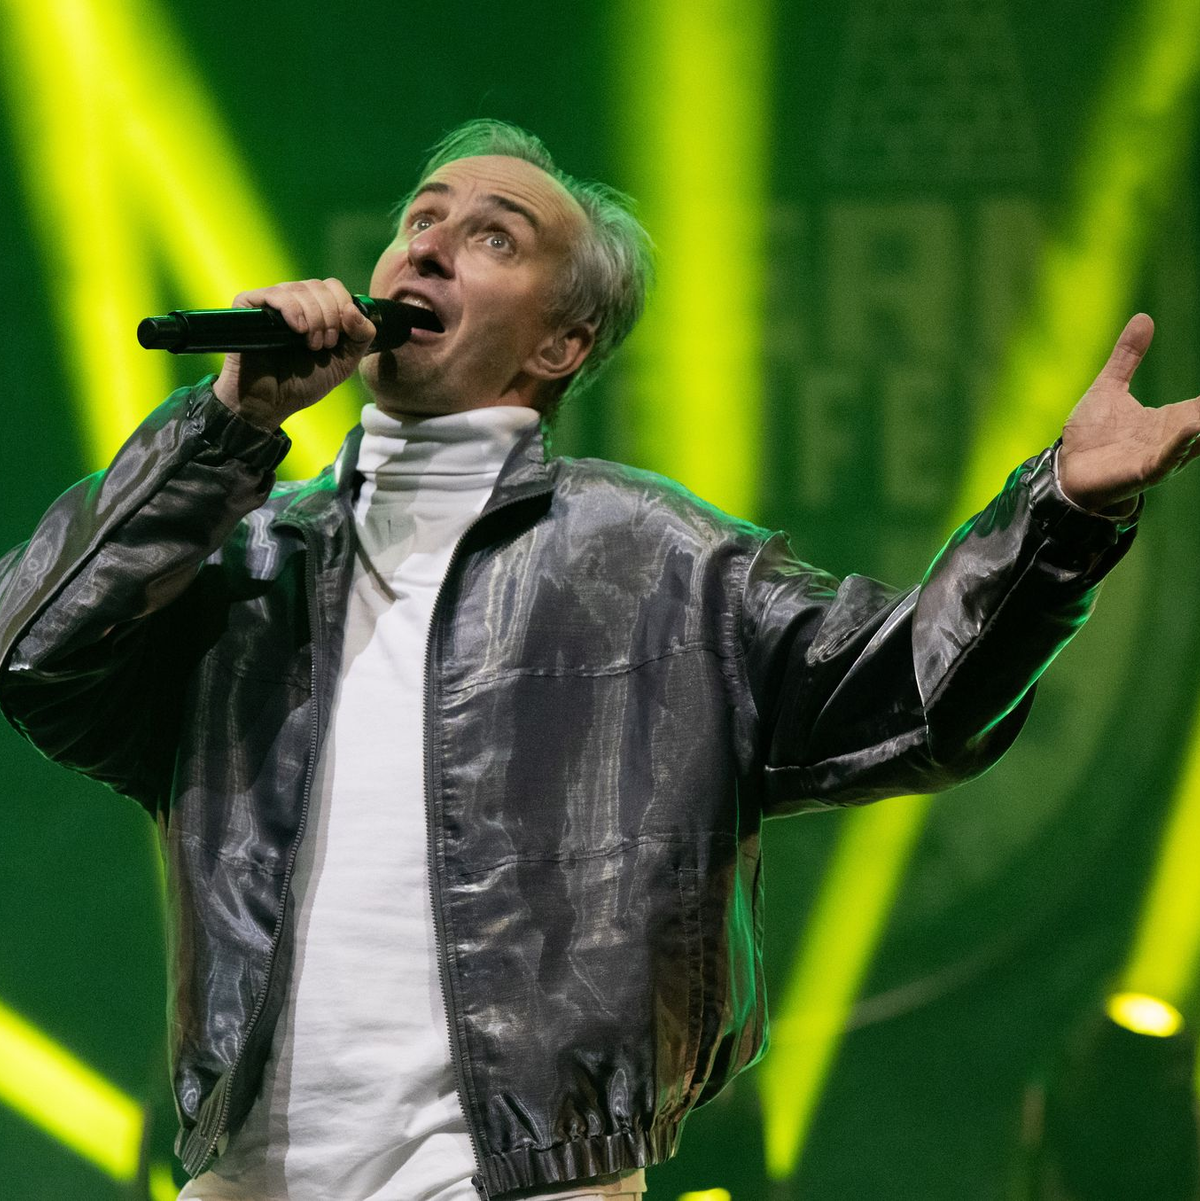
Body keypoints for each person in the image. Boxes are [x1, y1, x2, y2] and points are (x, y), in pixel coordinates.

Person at [0, 119, 1196, 1201]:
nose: (427, 247)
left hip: (533, 1180)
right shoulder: (249, 561)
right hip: (248, 1178)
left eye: (490, 236)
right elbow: (33, 649)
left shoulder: (656, 563)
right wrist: (226, 426)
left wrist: (1061, 516)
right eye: (420, 219)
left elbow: (915, 696)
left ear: (566, 339)